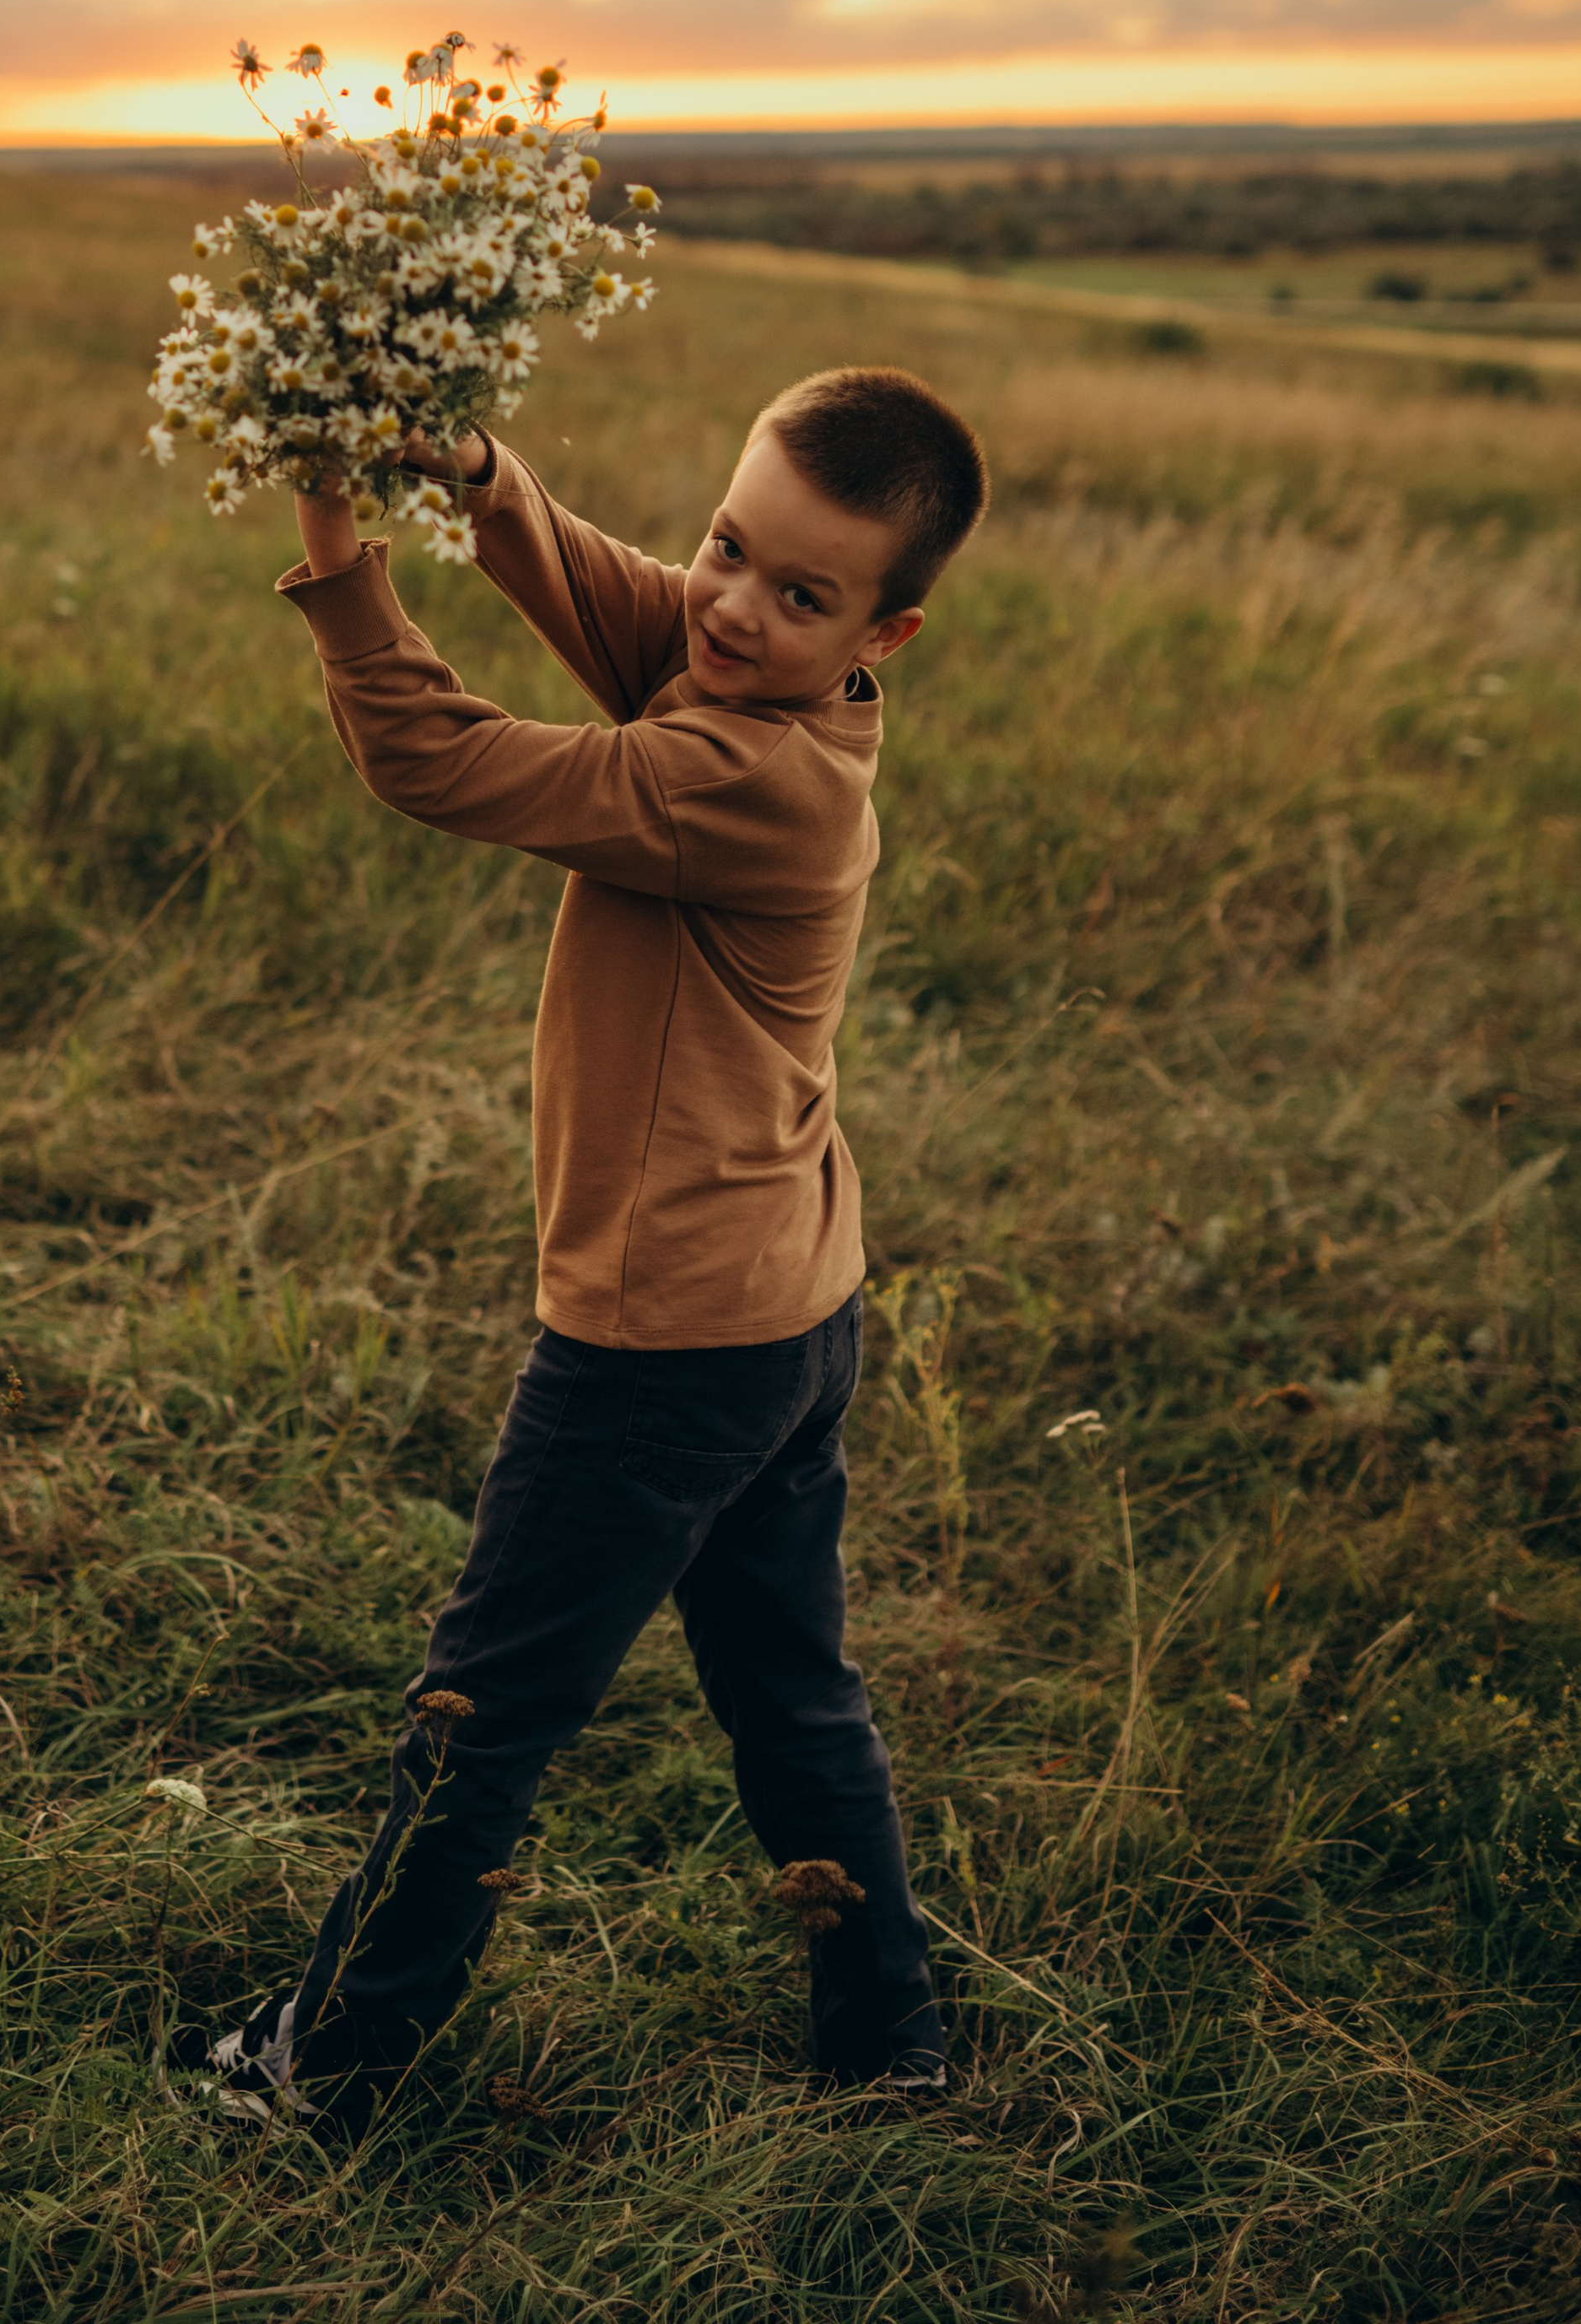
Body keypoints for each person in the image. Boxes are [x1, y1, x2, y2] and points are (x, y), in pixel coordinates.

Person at [200, 363, 990, 2137]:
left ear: (888, 628)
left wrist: (331, 524)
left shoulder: (744, 777)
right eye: (728, 548)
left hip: (661, 1346)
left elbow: (430, 755)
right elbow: (599, 582)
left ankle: (328, 2063)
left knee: (479, 1715)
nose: (727, 605)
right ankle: (889, 2040)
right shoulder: (769, 684)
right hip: (787, 1306)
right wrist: (476, 471)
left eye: (798, 593)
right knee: (794, 1700)